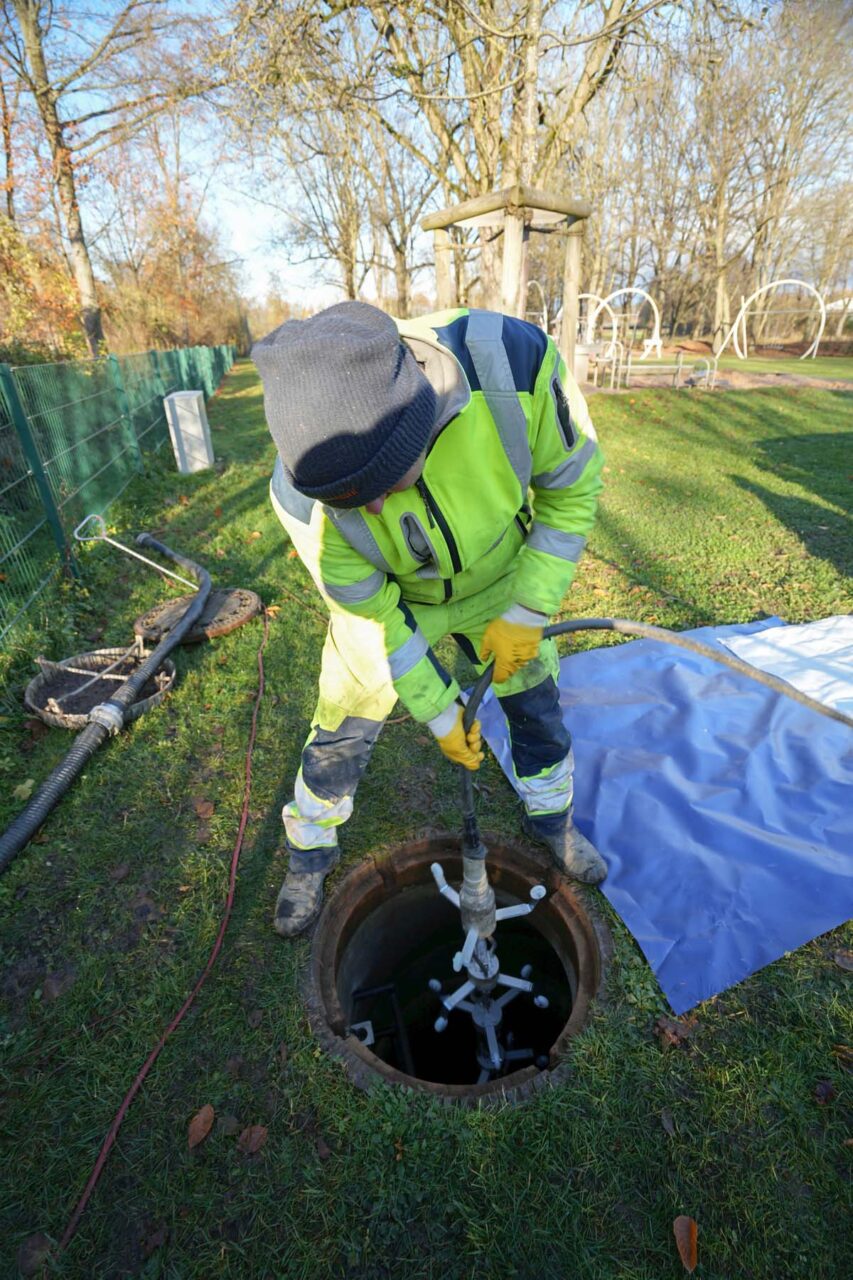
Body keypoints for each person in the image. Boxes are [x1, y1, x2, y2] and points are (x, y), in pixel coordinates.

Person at [252, 301, 605, 938]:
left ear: (419, 420)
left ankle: (554, 821)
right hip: (395, 599)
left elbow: (573, 487)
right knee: (341, 731)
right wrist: (443, 715)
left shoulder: (512, 365)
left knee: (536, 707)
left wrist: (527, 612)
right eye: (352, 502)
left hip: (501, 579)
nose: (377, 507)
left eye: (382, 482)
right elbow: (373, 623)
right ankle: (308, 854)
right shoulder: (302, 501)